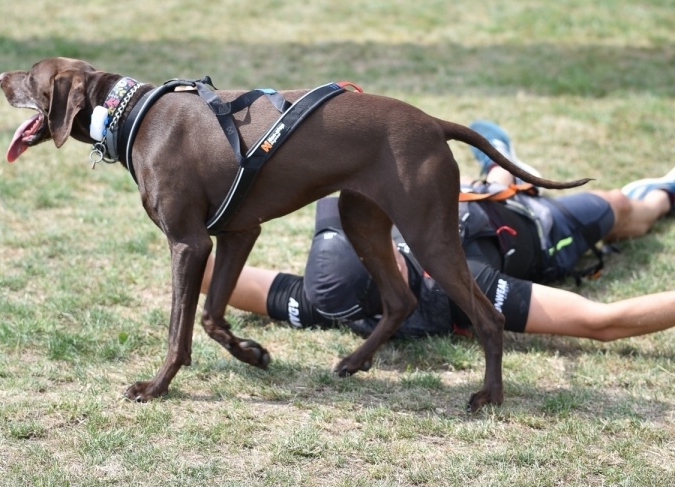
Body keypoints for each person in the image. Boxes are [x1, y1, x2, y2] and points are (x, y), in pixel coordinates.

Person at [201, 121, 675, 345]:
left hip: (454, 197)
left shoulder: (323, 293)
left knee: (470, 185)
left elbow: (206, 272)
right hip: (536, 226)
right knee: (622, 208)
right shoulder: (465, 292)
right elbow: (601, 322)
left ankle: (496, 167)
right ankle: (664, 194)